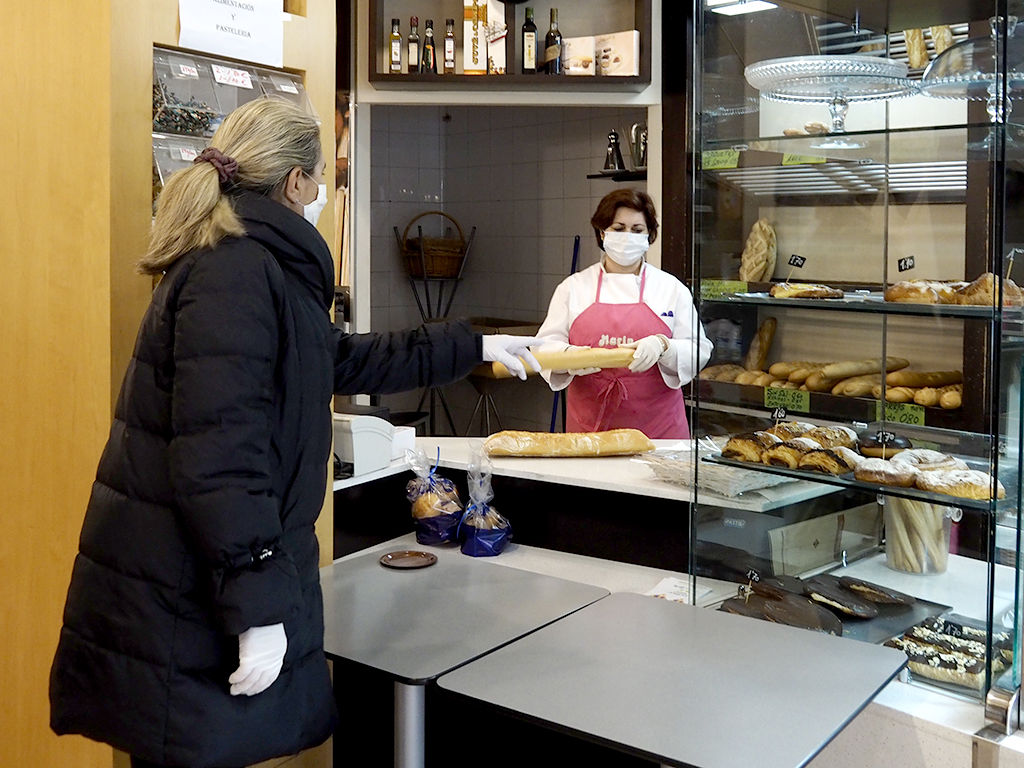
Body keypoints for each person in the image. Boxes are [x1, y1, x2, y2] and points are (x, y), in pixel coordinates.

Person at [49, 98, 539, 768]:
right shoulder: (236, 272)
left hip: (190, 590)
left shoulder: (256, 267)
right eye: (321, 180)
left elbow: (343, 357)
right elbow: (221, 456)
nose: (323, 199)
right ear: (294, 184)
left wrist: (472, 345)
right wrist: (256, 608)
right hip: (187, 600)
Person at [536, 189, 712, 439]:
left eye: (637, 230)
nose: (627, 236)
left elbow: (699, 349)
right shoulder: (573, 288)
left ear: (649, 235)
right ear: (602, 233)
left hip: (658, 433)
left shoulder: (670, 288)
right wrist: (570, 357)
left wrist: (663, 346)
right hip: (590, 432)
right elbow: (543, 349)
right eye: (619, 228)